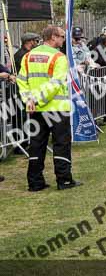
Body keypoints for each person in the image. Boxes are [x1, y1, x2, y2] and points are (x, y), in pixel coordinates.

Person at [17, 25, 81, 191]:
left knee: (36, 145)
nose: (63, 39)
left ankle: (35, 183)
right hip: (57, 108)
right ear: (53, 37)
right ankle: (64, 180)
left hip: (35, 110)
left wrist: (29, 100)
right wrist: (37, 100)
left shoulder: (28, 56)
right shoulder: (59, 57)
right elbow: (55, 83)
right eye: (61, 36)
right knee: (61, 145)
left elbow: (22, 81)